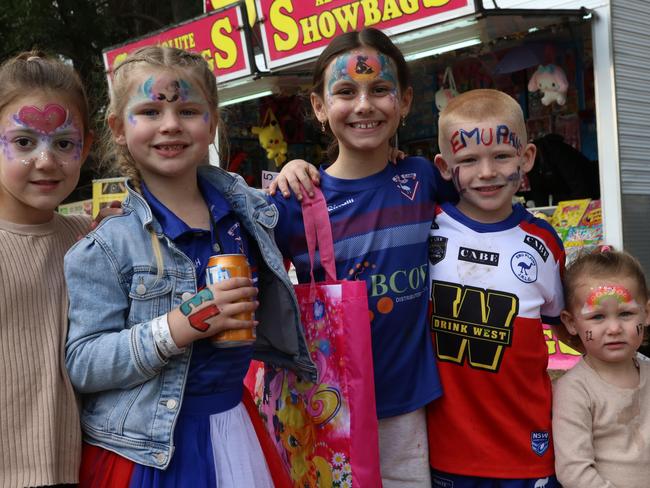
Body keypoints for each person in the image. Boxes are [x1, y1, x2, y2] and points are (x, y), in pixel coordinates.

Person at [64, 46, 316, 487]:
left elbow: (329, 217)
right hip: (150, 453)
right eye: (149, 110)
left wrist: (300, 168)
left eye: (188, 109)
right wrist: (182, 323)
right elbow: (84, 363)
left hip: (235, 429)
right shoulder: (106, 245)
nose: (170, 125)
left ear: (213, 122)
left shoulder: (250, 214)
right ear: (118, 129)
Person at [268, 27, 457, 487]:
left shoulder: (422, 178)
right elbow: (264, 301)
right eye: (346, 91)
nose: (364, 104)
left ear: (406, 101)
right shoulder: (293, 200)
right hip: (328, 407)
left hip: (408, 408)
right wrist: (289, 168)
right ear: (318, 106)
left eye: (381, 89)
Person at [425, 88, 565, 487]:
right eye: (468, 160)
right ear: (444, 166)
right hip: (447, 453)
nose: (486, 172)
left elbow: (563, 323)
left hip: (529, 450)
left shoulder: (544, 243)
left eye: (502, 155)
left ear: (527, 159)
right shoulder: (425, 228)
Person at [0, 50, 94, 487]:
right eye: (23, 142)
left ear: (86, 146)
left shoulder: (92, 241)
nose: (45, 160)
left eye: (63, 142)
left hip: (80, 466)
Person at [552, 247, 650, 487]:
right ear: (571, 322)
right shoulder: (574, 390)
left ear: (646, 314)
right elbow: (574, 471)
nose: (614, 328)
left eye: (626, 313)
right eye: (597, 317)